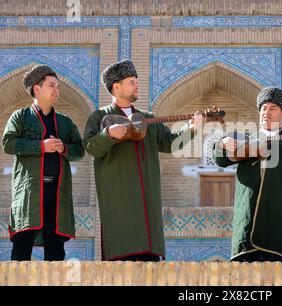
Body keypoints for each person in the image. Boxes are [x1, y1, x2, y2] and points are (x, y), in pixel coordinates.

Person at [83, 60, 202, 261]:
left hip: (148, 200)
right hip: (119, 198)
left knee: (149, 265)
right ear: (116, 86)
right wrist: (108, 135)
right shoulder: (100, 116)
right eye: (131, 81)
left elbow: (170, 144)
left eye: (137, 80)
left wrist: (191, 129)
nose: (137, 84)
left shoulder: (146, 117)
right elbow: (91, 147)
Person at [214, 87, 282, 262]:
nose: (266, 112)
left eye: (272, 108)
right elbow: (221, 160)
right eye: (263, 108)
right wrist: (222, 143)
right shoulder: (245, 139)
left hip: (278, 217)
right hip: (247, 220)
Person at [2, 65, 84, 261]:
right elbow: (8, 143)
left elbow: (79, 151)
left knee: (55, 250)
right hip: (29, 194)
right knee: (22, 246)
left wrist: (63, 148)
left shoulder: (65, 122)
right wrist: (41, 146)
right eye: (52, 86)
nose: (57, 90)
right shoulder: (20, 117)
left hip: (57, 193)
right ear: (37, 89)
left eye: (58, 86)